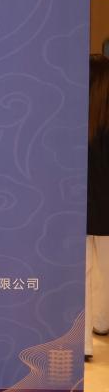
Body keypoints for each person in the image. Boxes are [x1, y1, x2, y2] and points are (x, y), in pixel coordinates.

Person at [87, 54, 109, 361]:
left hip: (78, 206)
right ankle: (102, 323)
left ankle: (82, 344)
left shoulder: (73, 118)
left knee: (82, 273)